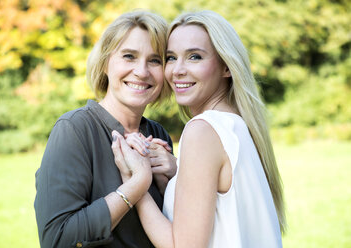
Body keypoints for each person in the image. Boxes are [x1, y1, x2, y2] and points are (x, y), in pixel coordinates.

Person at [111, 10, 286, 248]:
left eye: (194, 57)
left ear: (226, 67)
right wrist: (175, 178)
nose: (177, 70)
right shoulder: (237, 126)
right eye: (171, 58)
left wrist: (137, 183)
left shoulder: (203, 131)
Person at [34, 10, 177, 248]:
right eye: (129, 56)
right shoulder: (74, 130)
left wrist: (174, 177)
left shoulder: (158, 134)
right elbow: (57, 239)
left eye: (155, 60)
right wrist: (136, 185)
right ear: (105, 63)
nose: (142, 71)